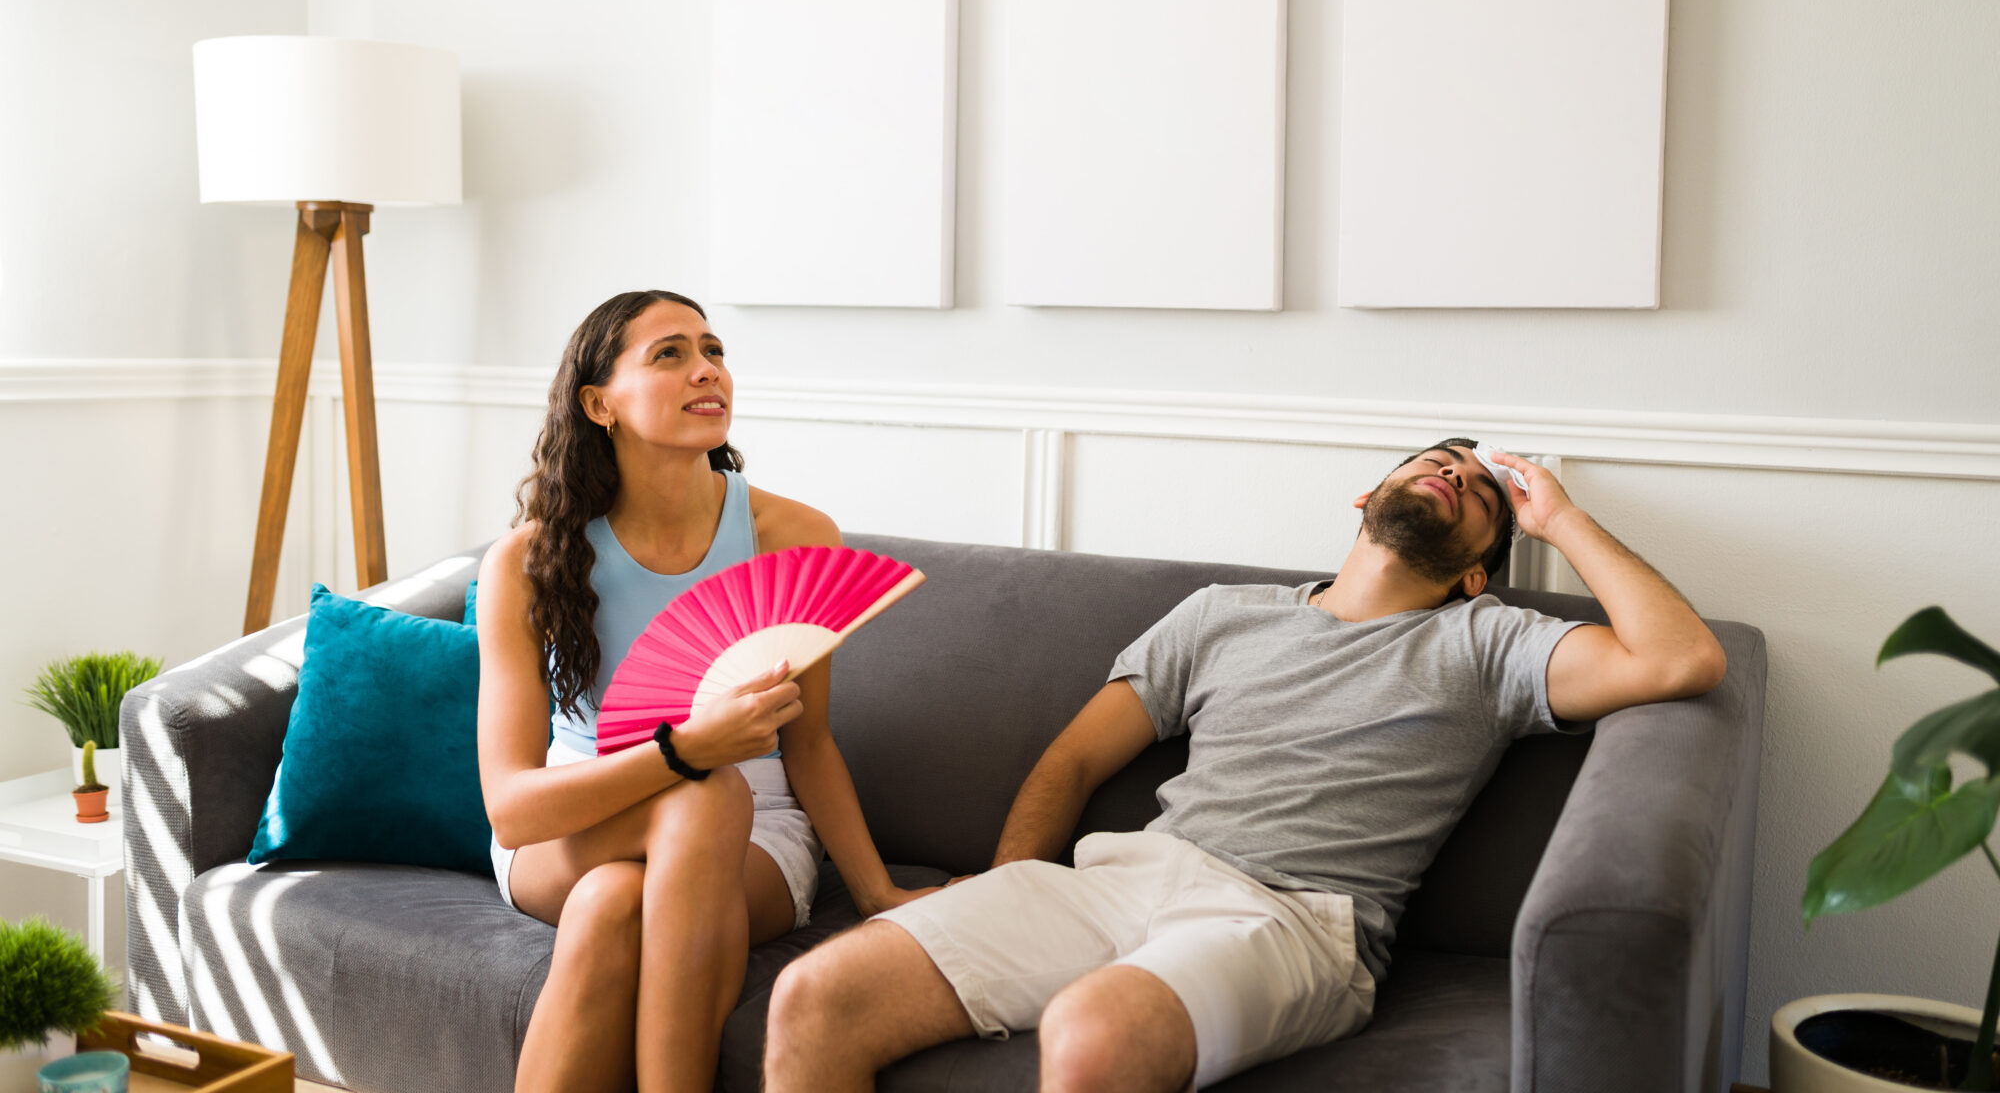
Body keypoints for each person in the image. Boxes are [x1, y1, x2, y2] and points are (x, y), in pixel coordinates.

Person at [762, 438, 1728, 1093]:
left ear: (1478, 569)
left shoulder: (1489, 639)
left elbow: (1680, 660)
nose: (1456, 476)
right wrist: (1017, 872)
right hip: (1119, 879)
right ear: (1365, 497)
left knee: (1097, 1028)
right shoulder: (1223, 614)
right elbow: (1074, 757)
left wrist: (1557, 520)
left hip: (1293, 918)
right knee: (816, 995)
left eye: (1481, 492)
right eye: (1435, 463)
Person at [474, 290, 933, 1093]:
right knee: (701, 791)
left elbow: (810, 742)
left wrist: (876, 890)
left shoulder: (791, 537)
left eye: (713, 350)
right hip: (573, 820)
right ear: (599, 403)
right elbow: (514, 807)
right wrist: (686, 751)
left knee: (616, 900)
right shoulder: (525, 562)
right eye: (669, 354)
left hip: (754, 835)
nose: (706, 370)